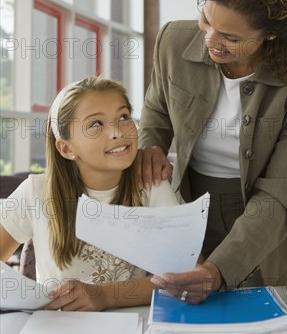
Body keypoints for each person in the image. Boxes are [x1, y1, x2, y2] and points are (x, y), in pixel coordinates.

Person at [137, 0, 287, 304]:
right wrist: (149, 144)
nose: (211, 41)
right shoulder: (171, 41)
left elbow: (280, 190)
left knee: (261, 322)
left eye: (231, 37)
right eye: (206, 21)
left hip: (266, 216)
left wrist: (217, 271)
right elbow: (157, 107)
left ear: (272, 34)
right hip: (188, 201)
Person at [0, 76, 178, 311]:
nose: (118, 132)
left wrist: (105, 296)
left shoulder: (150, 185)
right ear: (66, 148)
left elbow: (189, 276)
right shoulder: (36, 192)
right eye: (96, 124)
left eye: (123, 117)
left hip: (131, 328)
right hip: (56, 329)